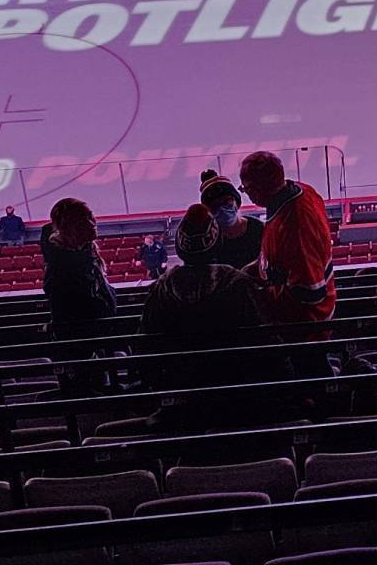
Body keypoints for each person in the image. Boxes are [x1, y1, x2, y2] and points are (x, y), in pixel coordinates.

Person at [139, 205, 266, 395]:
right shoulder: (238, 282)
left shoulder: (163, 287)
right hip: (238, 383)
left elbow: (146, 340)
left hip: (179, 386)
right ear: (216, 242)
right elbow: (261, 336)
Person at [240, 150, 335, 323]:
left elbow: (310, 293)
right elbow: (282, 258)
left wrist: (258, 293)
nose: (247, 194)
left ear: (256, 190)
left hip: (304, 327)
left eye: (245, 189)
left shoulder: (296, 227)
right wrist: (254, 269)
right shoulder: (302, 191)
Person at [41, 197, 116, 339]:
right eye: (82, 220)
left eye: (90, 216)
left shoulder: (85, 254)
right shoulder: (63, 268)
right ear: (67, 228)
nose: (91, 223)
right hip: (84, 343)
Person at [200, 177, 264, 271]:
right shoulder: (209, 239)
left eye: (227, 202)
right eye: (215, 206)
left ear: (237, 202)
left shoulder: (258, 229)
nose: (222, 209)